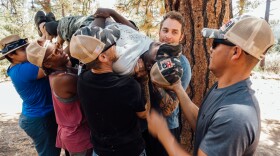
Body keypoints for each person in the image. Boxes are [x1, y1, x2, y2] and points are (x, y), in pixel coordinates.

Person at [147, 15, 275, 156]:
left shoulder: (236, 116)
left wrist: (163, 134)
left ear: (236, 52)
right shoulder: (223, 88)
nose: (210, 49)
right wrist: (177, 87)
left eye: (215, 43)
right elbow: (202, 122)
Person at [70, 18, 148, 156]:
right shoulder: (128, 85)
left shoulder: (82, 80)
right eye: (112, 43)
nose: (116, 44)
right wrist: (143, 80)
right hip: (129, 151)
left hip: (100, 151)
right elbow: (144, 113)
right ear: (103, 57)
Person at [26, 40, 93, 156]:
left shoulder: (60, 71)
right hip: (79, 136)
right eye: (56, 52)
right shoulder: (63, 80)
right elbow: (92, 85)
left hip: (74, 133)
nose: (61, 51)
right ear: (47, 64)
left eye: (59, 47)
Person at [141, 11, 192, 156]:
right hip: (145, 127)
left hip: (166, 128)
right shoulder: (149, 54)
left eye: (174, 32)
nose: (168, 36)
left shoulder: (182, 64)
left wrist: (152, 77)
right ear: (159, 31)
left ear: (181, 37)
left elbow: (169, 108)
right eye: (165, 30)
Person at [0, 35, 60, 156]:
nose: (27, 50)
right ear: (11, 55)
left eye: (27, 47)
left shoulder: (16, 68)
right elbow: (53, 62)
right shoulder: (23, 69)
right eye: (23, 49)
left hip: (37, 116)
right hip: (40, 118)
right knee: (50, 153)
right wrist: (56, 42)